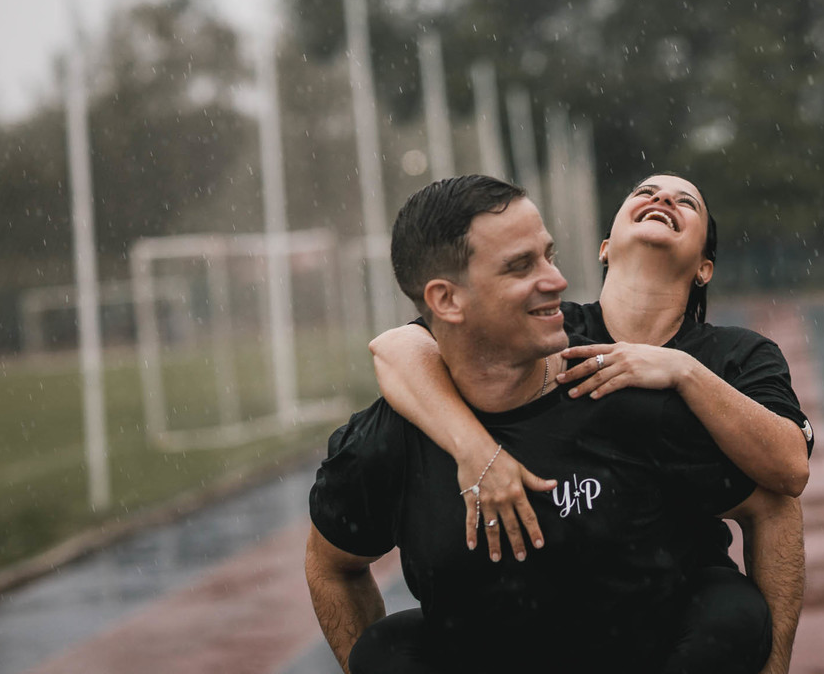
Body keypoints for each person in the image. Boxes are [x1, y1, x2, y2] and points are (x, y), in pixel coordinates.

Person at [306, 175, 799, 674]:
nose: (555, 280)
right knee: (384, 653)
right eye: (522, 265)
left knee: (732, 614)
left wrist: (684, 371)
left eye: (550, 256)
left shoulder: (646, 383)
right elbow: (398, 347)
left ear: (704, 268)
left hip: (658, 627)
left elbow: (785, 480)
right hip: (502, 638)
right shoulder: (554, 336)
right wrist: (476, 451)